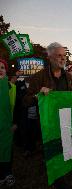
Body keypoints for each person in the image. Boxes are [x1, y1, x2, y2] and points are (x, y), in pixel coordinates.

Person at [23, 42, 72, 189]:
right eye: (59, 55)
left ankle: (60, 173)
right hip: (48, 124)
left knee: (64, 150)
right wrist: (37, 95)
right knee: (52, 152)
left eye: (64, 56)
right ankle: (58, 179)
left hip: (66, 122)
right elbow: (25, 101)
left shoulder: (69, 78)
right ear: (49, 57)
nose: (63, 58)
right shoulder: (38, 77)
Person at [0, 59, 17, 187]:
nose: (0, 69)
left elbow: (18, 107)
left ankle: (7, 173)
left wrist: (15, 123)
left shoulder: (12, 88)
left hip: (7, 127)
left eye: (2, 67)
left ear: (6, 71)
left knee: (6, 150)